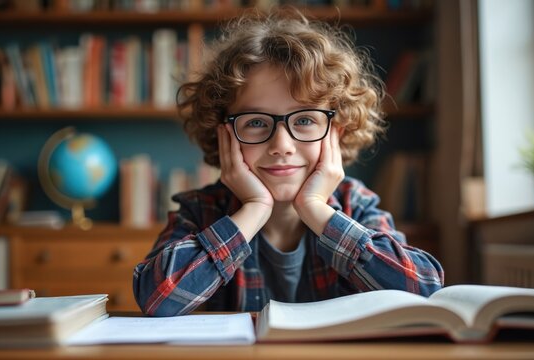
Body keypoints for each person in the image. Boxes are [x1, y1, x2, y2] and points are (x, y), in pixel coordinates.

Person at [133, 7, 443, 316]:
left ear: (336, 133)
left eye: (306, 119)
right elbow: (156, 300)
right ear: (223, 135)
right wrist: (254, 208)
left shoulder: (355, 205)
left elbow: (424, 290)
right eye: (255, 122)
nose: (281, 145)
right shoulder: (201, 211)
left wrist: (315, 209)